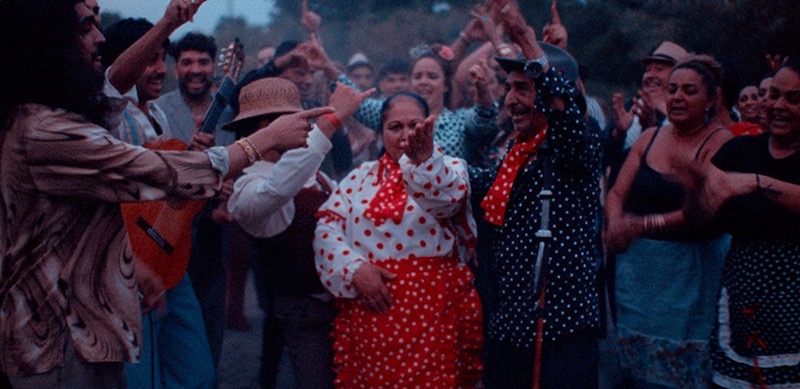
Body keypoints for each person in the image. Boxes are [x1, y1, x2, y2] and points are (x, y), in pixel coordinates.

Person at [0, 0, 332, 386]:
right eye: (86, 27)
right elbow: (160, 172)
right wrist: (263, 141)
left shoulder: (58, 117)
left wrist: (168, 23)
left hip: (97, 321)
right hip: (58, 345)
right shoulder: (44, 132)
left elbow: (109, 91)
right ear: (48, 42)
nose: (100, 38)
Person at [467, 3, 602, 387]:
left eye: (522, 88)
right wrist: (427, 162)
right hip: (511, 325)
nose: (509, 101)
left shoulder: (578, 148)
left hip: (560, 330)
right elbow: (477, 183)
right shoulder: (515, 152)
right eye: (508, 88)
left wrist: (524, 37)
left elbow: (563, 108)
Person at [314, 92, 483, 387]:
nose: (406, 135)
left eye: (414, 126)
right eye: (395, 127)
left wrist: (423, 162)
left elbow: (447, 201)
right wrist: (355, 269)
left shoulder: (451, 169)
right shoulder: (359, 178)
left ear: (429, 127)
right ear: (381, 133)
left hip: (435, 312)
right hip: (372, 315)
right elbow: (326, 227)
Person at [227, 77, 372, 389]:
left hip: (340, 307)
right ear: (268, 126)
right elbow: (279, 186)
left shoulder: (314, 173)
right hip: (303, 314)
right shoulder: (247, 187)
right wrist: (330, 122)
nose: (307, 127)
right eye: (299, 120)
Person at [605, 57, 734, 388]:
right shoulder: (648, 138)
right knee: (634, 372)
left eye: (689, 91)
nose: (677, 97)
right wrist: (615, 222)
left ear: (711, 99)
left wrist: (640, 225)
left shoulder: (721, 142)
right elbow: (617, 191)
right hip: (637, 277)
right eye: (672, 89)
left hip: (688, 278)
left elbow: (701, 211)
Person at [696, 56, 800, 388]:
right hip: (743, 304)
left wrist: (756, 183)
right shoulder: (740, 150)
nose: (779, 106)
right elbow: (703, 211)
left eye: (794, 99)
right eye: (774, 96)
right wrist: (692, 188)